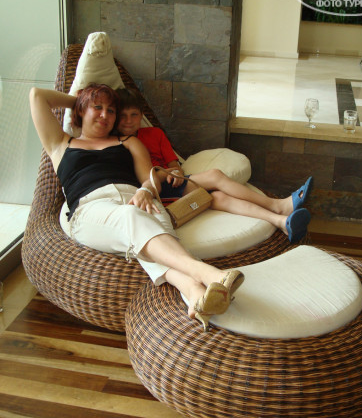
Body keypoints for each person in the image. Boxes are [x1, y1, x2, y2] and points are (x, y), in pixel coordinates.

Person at [29, 83, 245, 332]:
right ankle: (210, 274)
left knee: (155, 237)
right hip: (92, 209)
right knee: (134, 218)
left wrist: (145, 190)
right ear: (81, 111)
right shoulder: (60, 144)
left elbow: (149, 179)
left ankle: (195, 294)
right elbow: (37, 96)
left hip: (140, 200)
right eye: (97, 108)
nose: (104, 115)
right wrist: (79, 101)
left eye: (111, 110)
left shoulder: (128, 141)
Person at [116, 88, 313, 244]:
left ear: (141, 115)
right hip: (157, 192)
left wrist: (175, 172)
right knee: (214, 175)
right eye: (123, 116)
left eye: (134, 115)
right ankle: (277, 206)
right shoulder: (118, 144)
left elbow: (175, 165)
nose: (128, 121)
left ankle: (281, 222)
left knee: (219, 197)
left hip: (176, 182)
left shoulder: (155, 134)